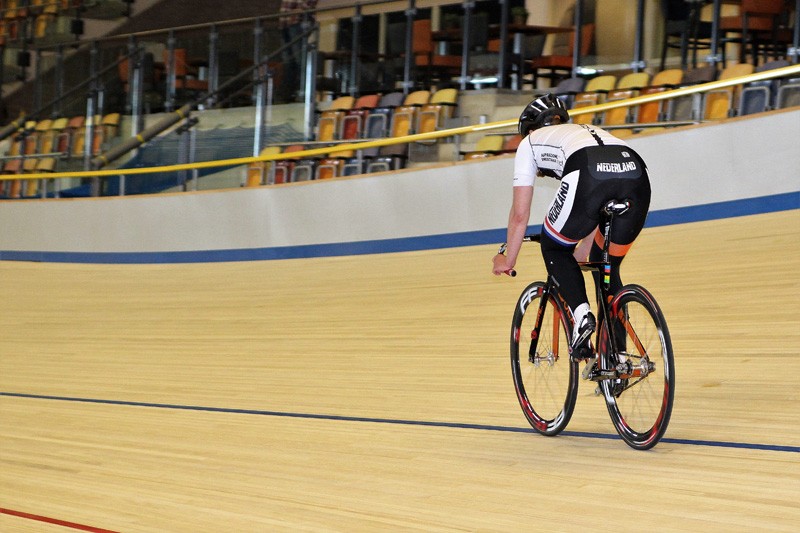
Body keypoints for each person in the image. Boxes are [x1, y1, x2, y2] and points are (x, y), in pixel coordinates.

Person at [492, 93, 651, 360]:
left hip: (588, 171)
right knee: (605, 266)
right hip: (636, 174)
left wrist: (508, 259)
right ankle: (617, 358)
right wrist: (582, 249)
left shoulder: (529, 143)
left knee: (554, 248)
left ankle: (581, 317)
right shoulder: (579, 131)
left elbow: (520, 215)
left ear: (530, 130)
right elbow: (593, 209)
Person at [279, 0, 318, 102]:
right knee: (288, 62)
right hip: (285, 24)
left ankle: (303, 93)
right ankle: (288, 95)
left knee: (300, 60)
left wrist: (301, 9)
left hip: (299, 23)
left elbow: (308, 4)